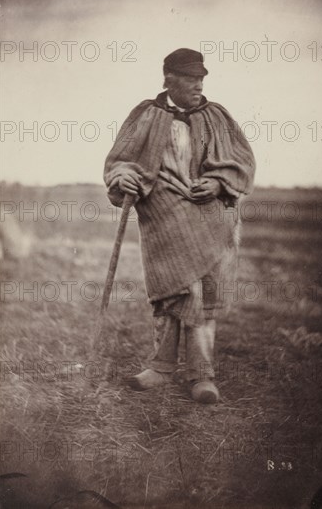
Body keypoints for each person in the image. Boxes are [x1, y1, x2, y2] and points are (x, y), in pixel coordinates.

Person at [104, 48, 256, 404]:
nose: (198, 85)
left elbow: (243, 160)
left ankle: (202, 375)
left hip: (210, 218)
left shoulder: (218, 116)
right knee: (172, 291)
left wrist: (218, 182)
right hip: (163, 215)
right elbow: (121, 159)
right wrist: (123, 177)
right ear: (168, 79)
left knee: (202, 293)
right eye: (190, 79)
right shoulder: (145, 114)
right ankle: (161, 368)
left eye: (201, 79)